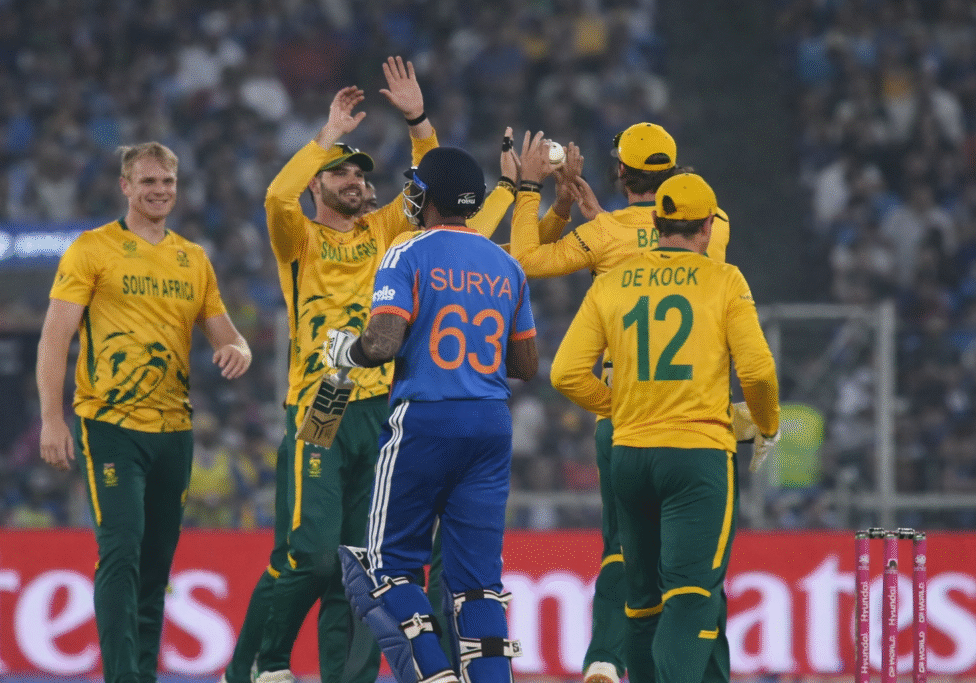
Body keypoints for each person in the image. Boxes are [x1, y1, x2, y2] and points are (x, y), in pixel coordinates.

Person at [232, 57, 515, 683]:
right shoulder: (297, 238)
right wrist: (325, 136)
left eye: (362, 172)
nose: (358, 180)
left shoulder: (388, 229)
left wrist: (418, 119)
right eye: (343, 173)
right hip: (320, 404)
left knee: (361, 561)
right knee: (308, 551)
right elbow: (276, 194)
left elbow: (435, 190)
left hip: (381, 410)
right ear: (319, 185)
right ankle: (259, 663)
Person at [511, 123, 738, 683]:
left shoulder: (604, 234)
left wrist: (543, 196)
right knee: (699, 575)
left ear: (618, 173)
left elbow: (524, 258)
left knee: (626, 550)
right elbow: (669, 236)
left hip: (626, 414)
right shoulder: (719, 229)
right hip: (696, 417)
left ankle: (607, 657)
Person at [549, 172, 780, 683]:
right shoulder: (725, 280)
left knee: (643, 601)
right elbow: (759, 372)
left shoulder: (611, 283)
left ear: (655, 224)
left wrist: (620, 407)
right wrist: (767, 425)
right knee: (693, 596)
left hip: (629, 453)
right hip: (696, 455)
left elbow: (565, 372)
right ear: (705, 230)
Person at [36, 141, 252, 683]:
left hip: (174, 431)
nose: (159, 191)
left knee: (155, 570)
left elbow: (232, 337)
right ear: (126, 186)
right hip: (110, 426)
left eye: (167, 183)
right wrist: (52, 419)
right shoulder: (92, 249)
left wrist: (238, 351)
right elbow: (55, 338)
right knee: (121, 551)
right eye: (148, 181)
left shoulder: (193, 259)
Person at [329, 145, 538, 683]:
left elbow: (381, 342)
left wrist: (345, 353)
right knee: (478, 585)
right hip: (491, 423)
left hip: (424, 418)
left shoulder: (407, 250)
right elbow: (526, 363)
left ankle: (432, 674)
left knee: (385, 567)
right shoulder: (507, 265)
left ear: (426, 195)